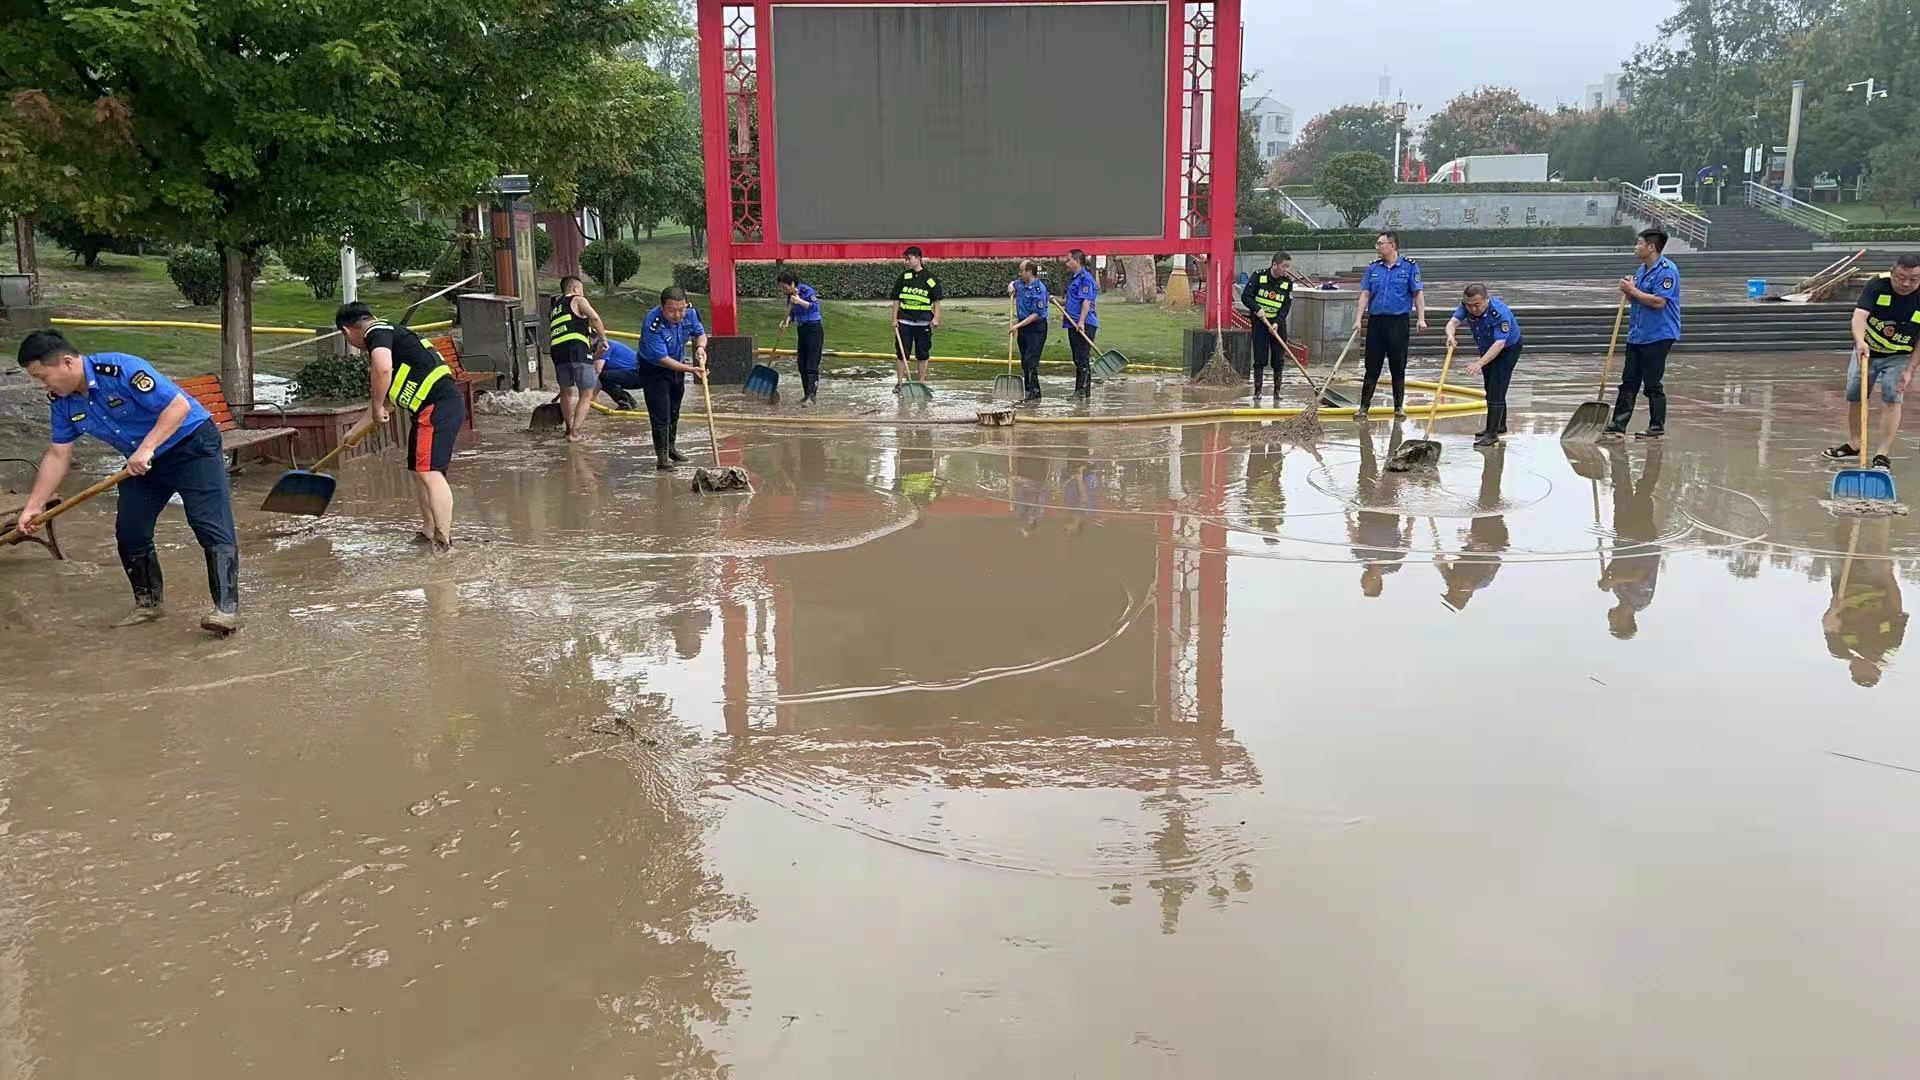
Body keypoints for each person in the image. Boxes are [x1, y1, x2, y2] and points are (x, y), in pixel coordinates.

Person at [10, 331, 240, 633]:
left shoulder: (121, 370)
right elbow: (57, 454)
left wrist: (147, 448)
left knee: (207, 522)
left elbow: (178, 407)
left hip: (191, 446)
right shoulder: (62, 403)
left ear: (66, 362)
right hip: (142, 464)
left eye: (43, 376)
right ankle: (149, 604)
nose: (43, 384)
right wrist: (33, 506)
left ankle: (226, 610)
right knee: (130, 530)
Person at [336, 302, 466, 549]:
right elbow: (382, 404)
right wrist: (355, 433)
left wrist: (376, 406)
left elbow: (382, 368)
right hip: (430, 409)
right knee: (420, 472)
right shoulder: (394, 343)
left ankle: (444, 541)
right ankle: (428, 532)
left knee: (430, 472)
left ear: (347, 331)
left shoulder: (377, 332)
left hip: (437, 406)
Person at [1825, 254, 1920, 470]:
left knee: (1892, 397)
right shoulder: (1878, 284)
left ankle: (1882, 455)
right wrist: (1860, 342)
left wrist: (1910, 369)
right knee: (1856, 396)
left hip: (1900, 355)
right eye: (1901, 277)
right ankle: (1855, 444)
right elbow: (1860, 316)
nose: (1906, 283)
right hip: (1867, 351)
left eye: (1914, 279)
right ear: (1892, 272)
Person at [1607, 228, 1682, 439]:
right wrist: (1629, 291)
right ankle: (1618, 425)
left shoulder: (1667, 271)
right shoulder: (1642, 270)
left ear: (1651, 247)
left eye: (1639, 243)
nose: (1636, 247)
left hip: (1658, 335)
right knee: (1629, 380)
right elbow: (1638, 299)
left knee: (1652, 382)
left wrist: (1633, 291)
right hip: (1637, 334)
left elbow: (1659, 302)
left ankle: (1656, 427)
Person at [1823, 518, 1907, 688]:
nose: (1865, 664)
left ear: (1851, 667)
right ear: (1878, 668)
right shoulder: (1891, 642)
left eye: (1859, 669)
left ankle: (1846, 510)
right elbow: (1896, 607)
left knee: (1843, 537)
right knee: (1874, 541)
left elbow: (1829, 624)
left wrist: (1833, 611)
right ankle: (1879, 511)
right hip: (1875, 581)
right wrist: (1888, 574)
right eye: (1870, 669)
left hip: (1844, 583)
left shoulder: (1839, 648)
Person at [1354, 231, 1425, 421]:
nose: (1377, 247)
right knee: (1372, 366)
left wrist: (1421, 318)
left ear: (1392, 245)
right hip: (1376, 322)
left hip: (1398, 322)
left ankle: (1398, 407)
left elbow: (1417, 293)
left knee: (1397, 365)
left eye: (1380, 243)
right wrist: (1358, 319)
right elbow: (1365, 294)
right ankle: (1363, 407)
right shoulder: (1373, 268)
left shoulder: (1409, 267)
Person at [636, 286, 708, 470]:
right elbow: (662, 359)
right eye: (672, 310)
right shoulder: (652, 322)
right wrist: (692, 370)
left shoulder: (690, 313)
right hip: (654, 369)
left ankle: (671, 449)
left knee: (674, 410)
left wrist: (700, 348)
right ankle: (662, 458)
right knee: (661, 413)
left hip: (678, 364)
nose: (677, 315)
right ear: (662, 307)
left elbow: (700, 334)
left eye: (681, 310)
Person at [1446, 284, 1524, 448]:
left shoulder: (1499, 314)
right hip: (1487, 347)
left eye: (1477, 304)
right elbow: (1452, 322)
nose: (1473, 309)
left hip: (1507, 349)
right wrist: (1450, 336)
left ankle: (1492, 434)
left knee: (1497, 387)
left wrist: (1479, 364)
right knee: (1490, 387)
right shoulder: (1466, 306)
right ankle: (1499, 426)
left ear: (1486, 300)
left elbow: (1499, 344)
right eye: (1469, 305)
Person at [1600, 441, 1664, 638]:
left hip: (1624, 536)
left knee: (1621, 490)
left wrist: (1607, 577)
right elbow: (1638, 575)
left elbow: (1617, 567)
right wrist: (1612, 580)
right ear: (1625, 622)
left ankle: (1618, 456)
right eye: (1613, 624)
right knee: (1643, 493)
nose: (1610, 619)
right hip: (1641, 537)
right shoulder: (1640, 600)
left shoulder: (1620, 594)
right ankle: (1654, 457)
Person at [548, 275, 609, 441]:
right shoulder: (578, 300)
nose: (583, 294)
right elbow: (595, 318)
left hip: (557, 353)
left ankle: (568, 430)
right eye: (581, 290)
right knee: (586, 393)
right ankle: (575, 434)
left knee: (565, 393)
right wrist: (603, 340)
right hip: (577, 350)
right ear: (575, 289)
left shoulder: (554, 309)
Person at [1241, 251, 1295, 402]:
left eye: (1288, 267)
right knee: (1260, 358)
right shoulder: (1259, 276)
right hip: (1260, 323)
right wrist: (1257, 309)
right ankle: (1257, 392)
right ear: (1274, 264)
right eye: (1284, 266)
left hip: (1277, 325)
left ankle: (1277, 392)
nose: (1286, 270)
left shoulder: (1287, 282)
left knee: (1278, 359)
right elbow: (1246, 297)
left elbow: (1286, 305)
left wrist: (1277, 321)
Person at [890, 246, 942, 389]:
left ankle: (921, 383)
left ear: (918, 258)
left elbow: (937, 301)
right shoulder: (903, 277)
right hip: (904, 321)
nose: (906, 262)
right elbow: (896, 299)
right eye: (905, 259)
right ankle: (900, 383)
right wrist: (894, 318)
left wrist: (936, 318)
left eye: (909, 258)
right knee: (902, 353)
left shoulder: (930, 279)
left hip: (923, 322)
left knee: (923, 353)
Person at [777, 270, 825, 404]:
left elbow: (815, 307)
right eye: (781, 288)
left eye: (785, 287)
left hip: (814, 329)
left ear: (792, 283)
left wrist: (799, 301)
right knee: (801, 363)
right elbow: (791, 314)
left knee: (812, 364)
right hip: (802, 330)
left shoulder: (806, 290)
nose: (783, 290)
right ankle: (806, 394)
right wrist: (786, 321)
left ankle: (812, 395)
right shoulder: (790, 296)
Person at [1008, 260, 1049, 401]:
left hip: (1036, 328)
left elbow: (1036, 314)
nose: (1020, 274)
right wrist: (1010, 286)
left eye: (1022, 271)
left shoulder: (1039, 289)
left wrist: (1017, 326)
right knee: (1024, 361)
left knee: (1031, 361)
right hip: (1023, 327)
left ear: (1030, 272)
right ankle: (1027, 389)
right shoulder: (1020, 283)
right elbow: (1013, 283)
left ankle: (1035, 393)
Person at [1061, 249, 1101, 398]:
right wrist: (1059, 302)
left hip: (1084, 323)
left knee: (1082, 357)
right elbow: (1074, 300)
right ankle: (1085, 391)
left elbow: (1086, 301)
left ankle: (1081, 391)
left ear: (1077, 261)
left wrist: (1082, 321)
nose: (1067, 263)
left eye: (1068, 259)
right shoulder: (1074, 278)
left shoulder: (1085, 279)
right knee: (1077, 358)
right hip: (1073, 323)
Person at [598, 338, 642, 411]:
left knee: (602, 377)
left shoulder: (604, 345)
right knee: (601, 377)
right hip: (638, 375)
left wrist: (588, 400)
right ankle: (630, 402)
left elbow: (597, 371)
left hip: (638, 375)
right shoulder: (604, 344)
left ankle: (626, 404)